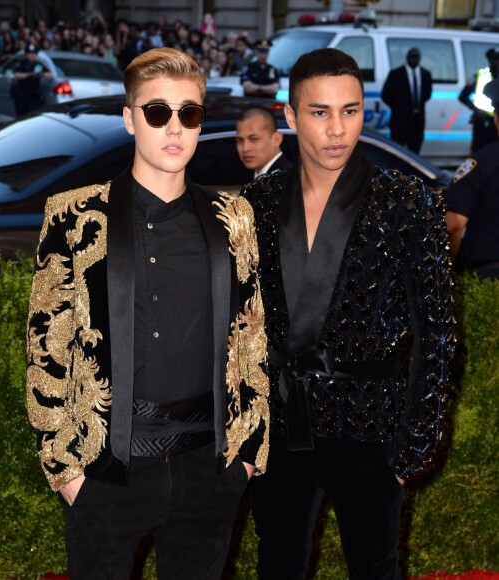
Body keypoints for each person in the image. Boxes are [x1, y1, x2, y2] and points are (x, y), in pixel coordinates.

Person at [26, 47, 269, 579]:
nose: (174, 127)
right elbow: (47, 345)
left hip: (210, 466)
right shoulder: (74, 215)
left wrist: (246, 455)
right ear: (129, 119)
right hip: (105, 468)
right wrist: (67, 469)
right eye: (157, 112)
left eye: (190, 112)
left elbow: (251, 340)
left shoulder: (235, 217)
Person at [241, 48, 454, 579]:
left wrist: (413, 445)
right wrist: (246, 428)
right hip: (283, 424)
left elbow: (439, 335)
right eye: (320, 112)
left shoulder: (406, 201)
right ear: (290, 117)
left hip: (372, 430)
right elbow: (239, 328)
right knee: (279, 565)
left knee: (374, 569)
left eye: (351, 110)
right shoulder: (258, 202)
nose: (337, 129)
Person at [445, 77, 499, 280]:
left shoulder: (481, 164)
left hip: (487, 281)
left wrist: (448, 271)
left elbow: (453, 226)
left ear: (495, 117)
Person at [381, 47, 433, 153]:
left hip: (417, 121)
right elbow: (385, 95)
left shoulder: (425, 74)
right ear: (407, 58)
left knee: (414, 153)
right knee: (397, 153)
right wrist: (398, 107)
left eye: (416, 57)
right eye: (412, 57)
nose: (414, 60)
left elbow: (427, 94)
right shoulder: (395, 74)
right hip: (400, 121)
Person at [459, 47, 499, 152]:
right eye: (494, 58)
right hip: (482, 121)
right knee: (480, 150)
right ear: (489, 59)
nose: (497, 61)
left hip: (497, 120)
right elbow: (463, 96)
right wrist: (476, 109)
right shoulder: (480, 75)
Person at [236, 106, 292, 179]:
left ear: (276, 139)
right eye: (240, 140)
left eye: (254, 139)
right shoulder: (261, 177)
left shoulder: (288, 179)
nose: (245, 148)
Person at [12, 43, 52, 116]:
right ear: (26, 54)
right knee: (21, 116)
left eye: (33, 54)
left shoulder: (39, 64)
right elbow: (16, 75)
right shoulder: (22, 63)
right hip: (22, 95)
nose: (31, 56)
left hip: (34, 96)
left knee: (32, 116)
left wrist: (41, 74)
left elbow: (51, 75)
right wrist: (28, 75)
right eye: (30, 53)